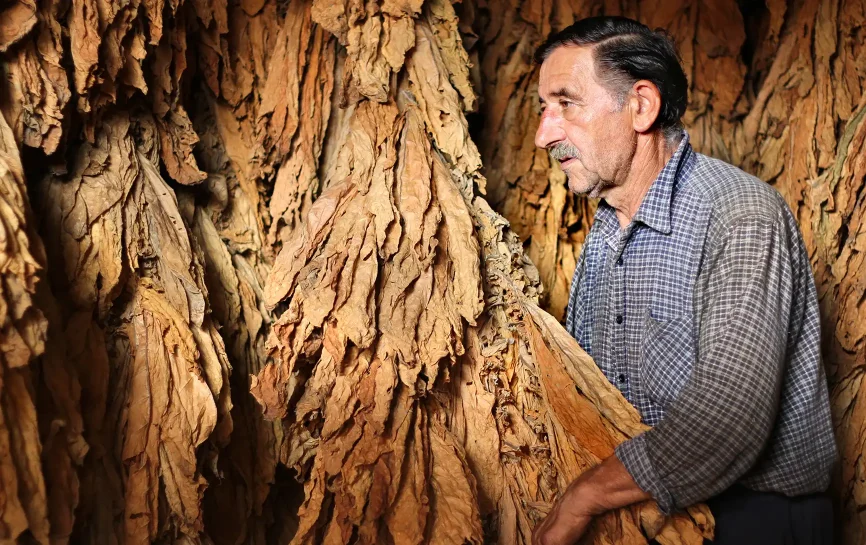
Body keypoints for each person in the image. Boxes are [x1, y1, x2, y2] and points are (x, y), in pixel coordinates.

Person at [530, 15, 837, 545]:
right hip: (649, 517)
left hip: (753, 522)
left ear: (641, 106)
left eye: (566, 104)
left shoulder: (740, 215)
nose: (544, 134)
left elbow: (727, 422)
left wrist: (583, 497)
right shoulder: (606, 231)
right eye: (543, 109)